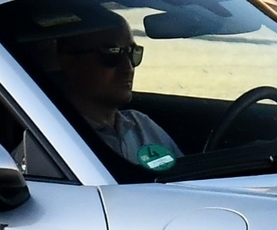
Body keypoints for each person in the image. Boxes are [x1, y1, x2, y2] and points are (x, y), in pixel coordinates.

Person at [51, 17, 182, 173]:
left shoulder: (142, 126)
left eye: (133, 53)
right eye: (112, 53)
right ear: (69, 61)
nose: (128, 67)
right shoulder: (50, 143)